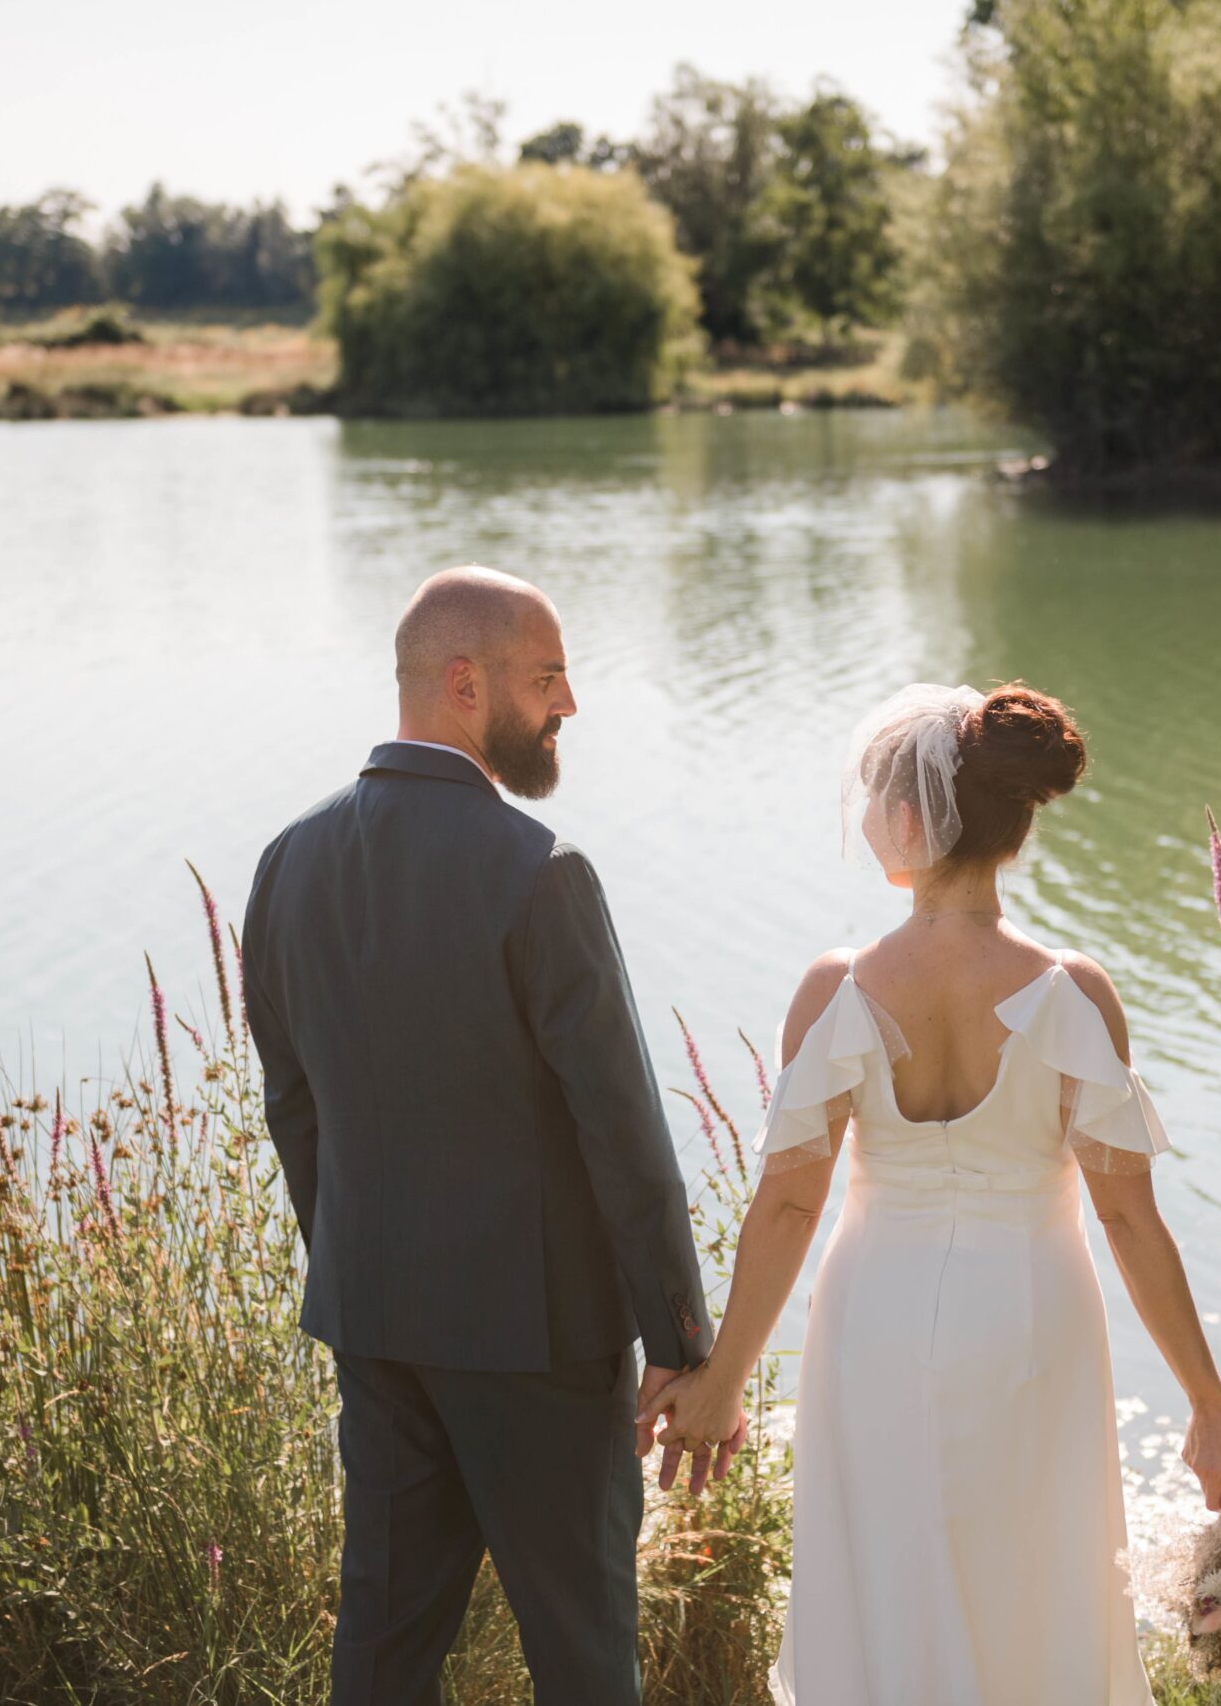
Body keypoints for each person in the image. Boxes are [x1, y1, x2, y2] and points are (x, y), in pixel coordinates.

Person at [643, 681, 1221, 1704]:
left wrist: (724, 1380)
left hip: (873, 1319)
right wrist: (1208, 1401)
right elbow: (1128, 1216)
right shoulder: (1073, 991)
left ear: (911, 817)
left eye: (875, 801)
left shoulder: (834, 989)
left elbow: (789, 1205)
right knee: (1031, 1583)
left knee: (885, 1579)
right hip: (1032, 1319)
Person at [241, 566, 723, 1706]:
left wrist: (358, 1268)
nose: (569, 704)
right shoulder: (539, 870)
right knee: (584, 1655)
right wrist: (681, 1341)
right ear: (465, 683)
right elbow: (623, 1130)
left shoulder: (286, 861)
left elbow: (293, 1106)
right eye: (548, 677)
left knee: (383, 1650)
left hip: (378, 1327)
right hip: (539, 1346)